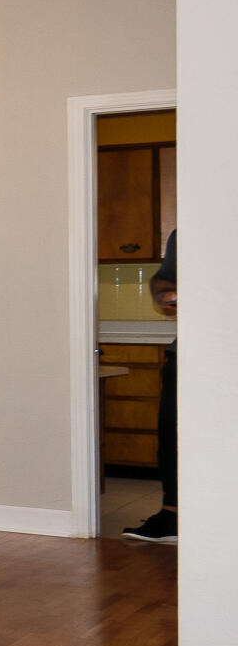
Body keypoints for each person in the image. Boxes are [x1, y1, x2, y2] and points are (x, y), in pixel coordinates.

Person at [125, 229, 178, 543]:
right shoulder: (184, 231)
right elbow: (164, 281)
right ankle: (172, 516)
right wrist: (167, 295)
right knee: (171, 436)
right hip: (187, 356)